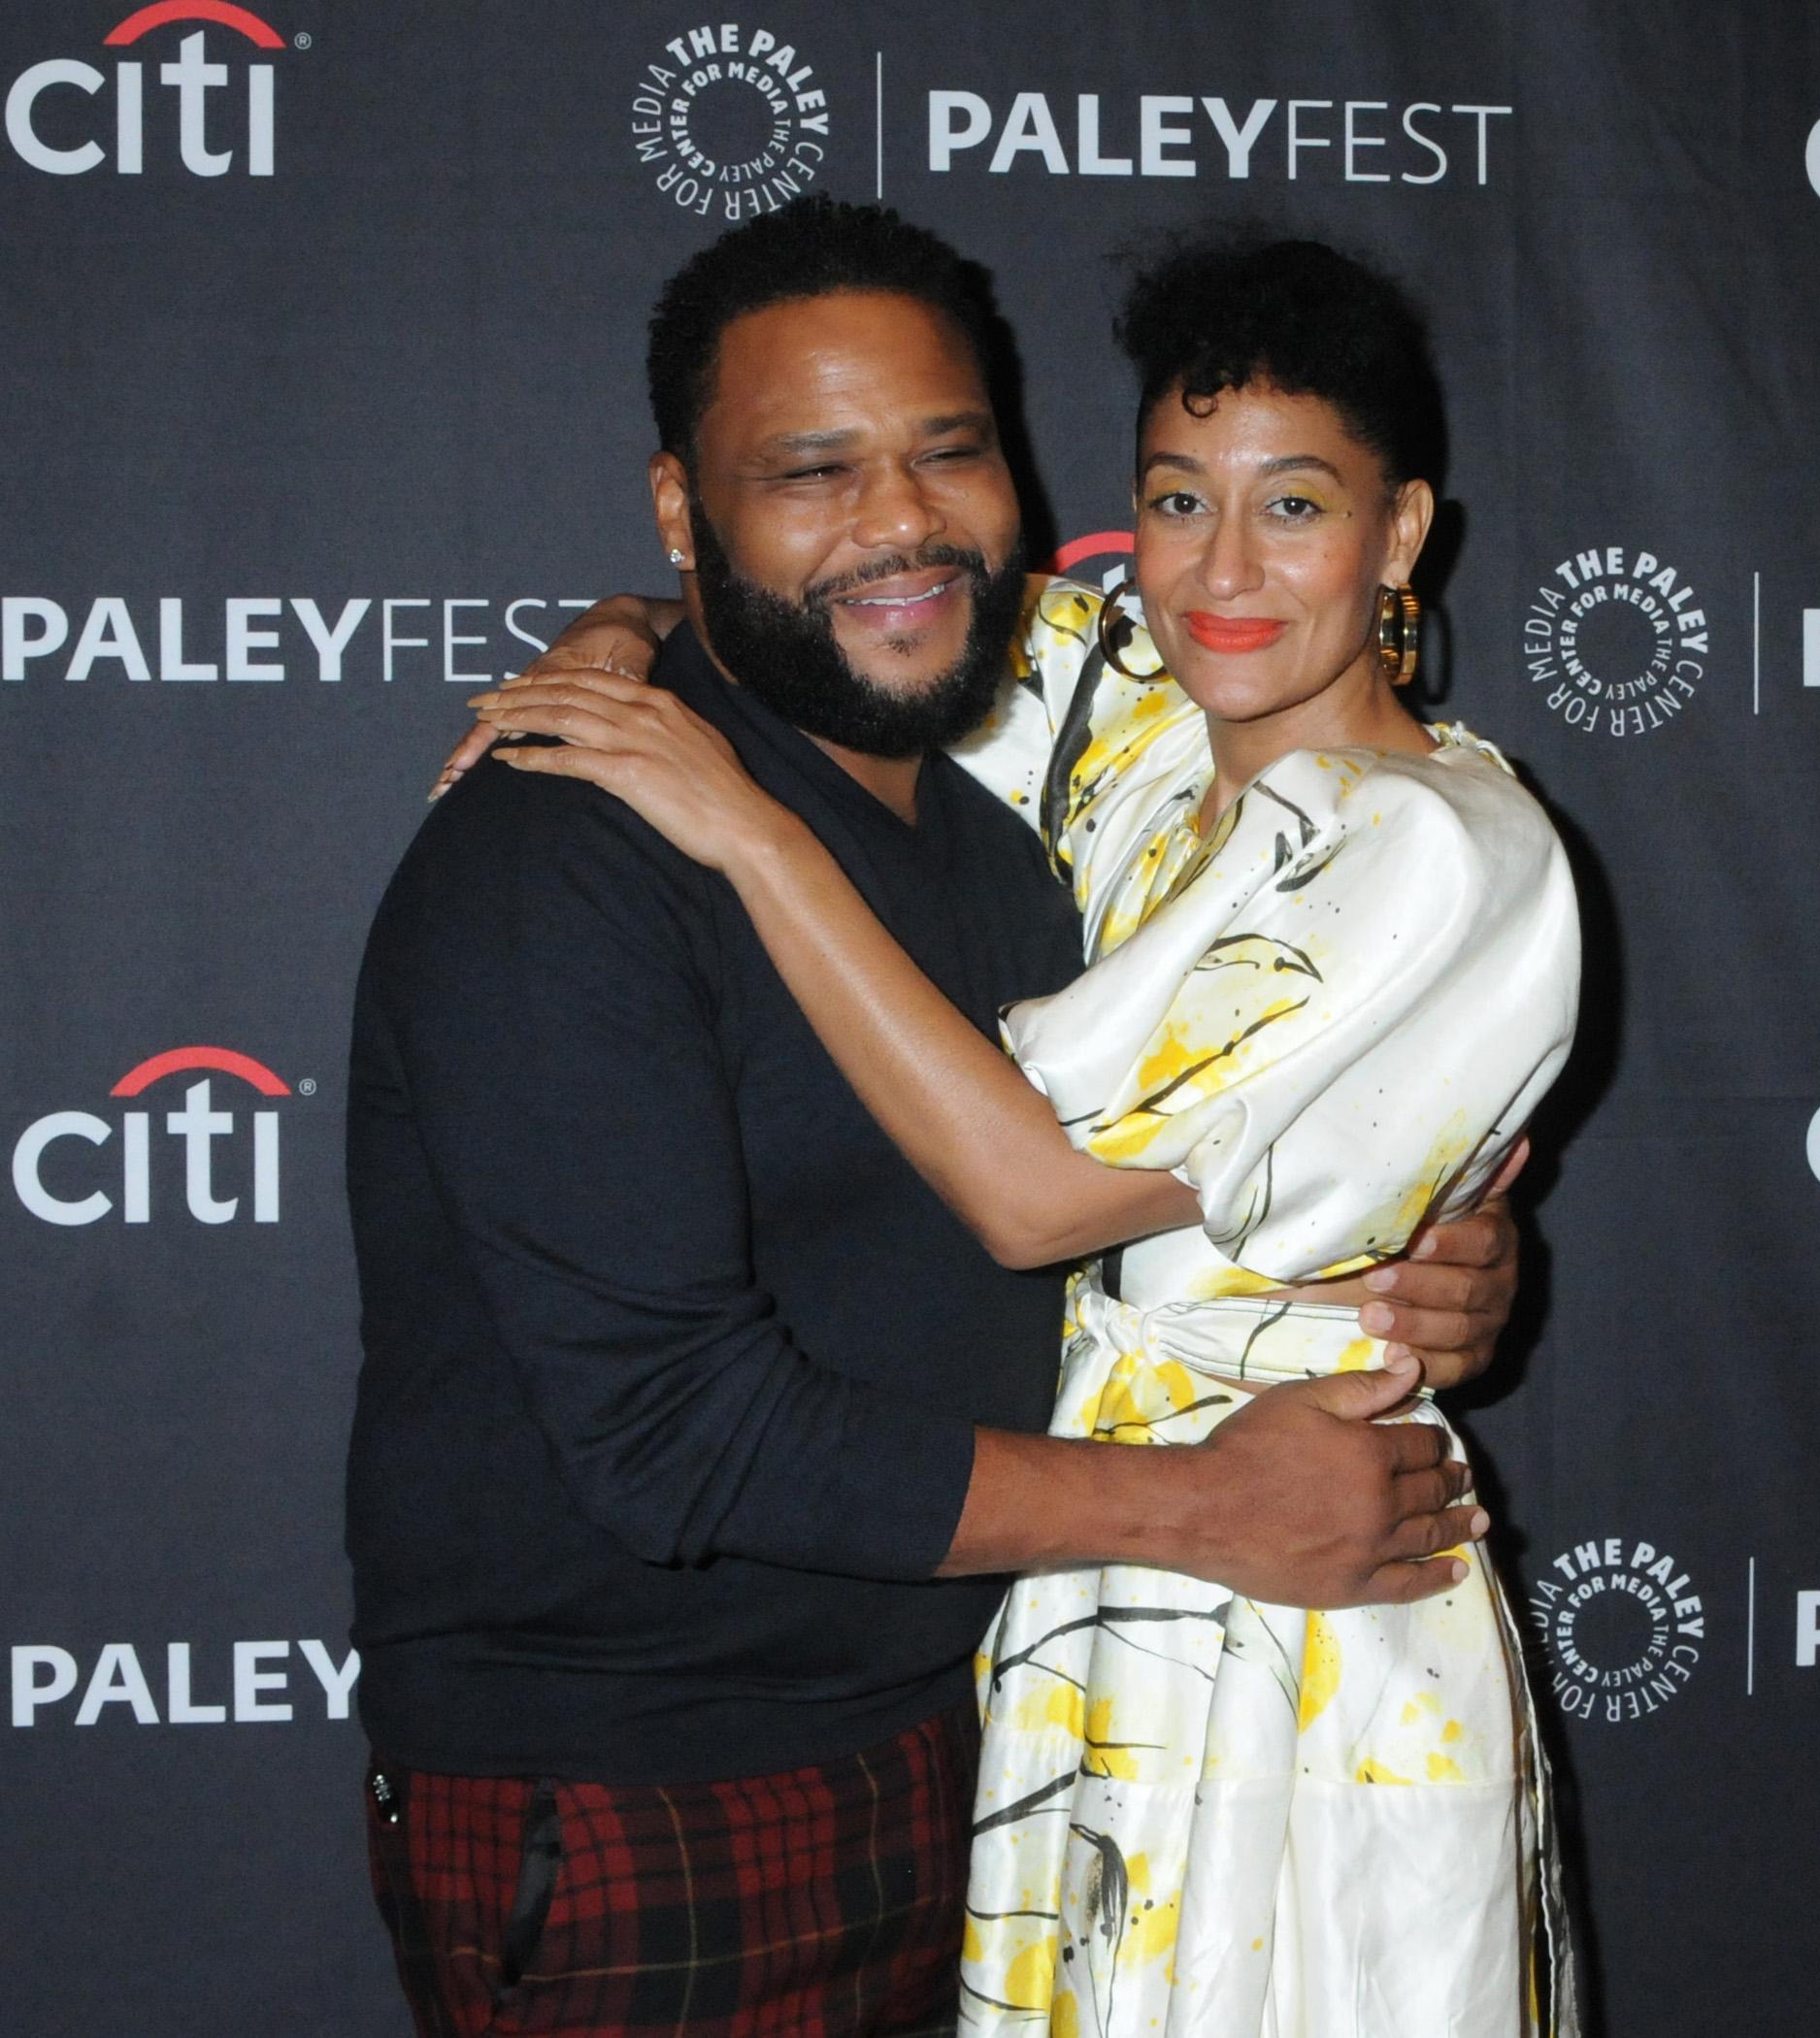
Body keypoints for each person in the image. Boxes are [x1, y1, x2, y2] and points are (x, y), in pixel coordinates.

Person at [349, 197, 1526, 2038]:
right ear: (683, 507)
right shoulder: (561, 855)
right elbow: (678, 1437)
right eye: (809, 470)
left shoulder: (1008, 826)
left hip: (976, 1736)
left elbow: (1200, 1138)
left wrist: (1408, 1238)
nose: (898, 519)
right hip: (641, 1786)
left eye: (946, 451)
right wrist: (1204, 1506)